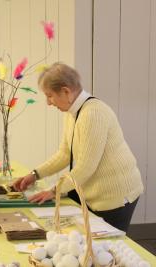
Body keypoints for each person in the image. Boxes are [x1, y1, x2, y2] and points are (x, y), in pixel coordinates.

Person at [13, 62, 143, 232]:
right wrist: (34, 175)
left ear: (66, 92)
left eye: (50, 96)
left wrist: (54, 191)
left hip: (116, 194)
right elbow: (64, 154)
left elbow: (86, 166)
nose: (48, 103)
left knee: (109, 247)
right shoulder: (73, 113)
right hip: (95, 192)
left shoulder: (93, 114)